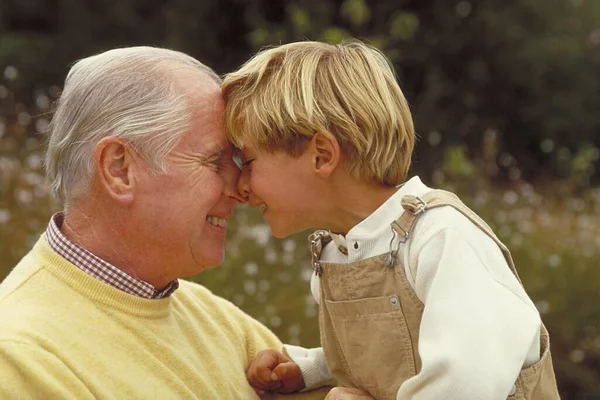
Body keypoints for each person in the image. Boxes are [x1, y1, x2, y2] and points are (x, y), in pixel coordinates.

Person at [221, 40, 560, 399]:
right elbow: (389, 354)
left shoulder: (441, 240)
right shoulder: (339, 255)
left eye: (248, 161)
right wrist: (311, 369)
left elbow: (463, 385)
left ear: (321, 156)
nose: (240, 186)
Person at [0, 46, 328, 399]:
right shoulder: (20, 358)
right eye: (216, 160)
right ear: (119, 169)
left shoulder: (220, 322)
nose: (241, 188)